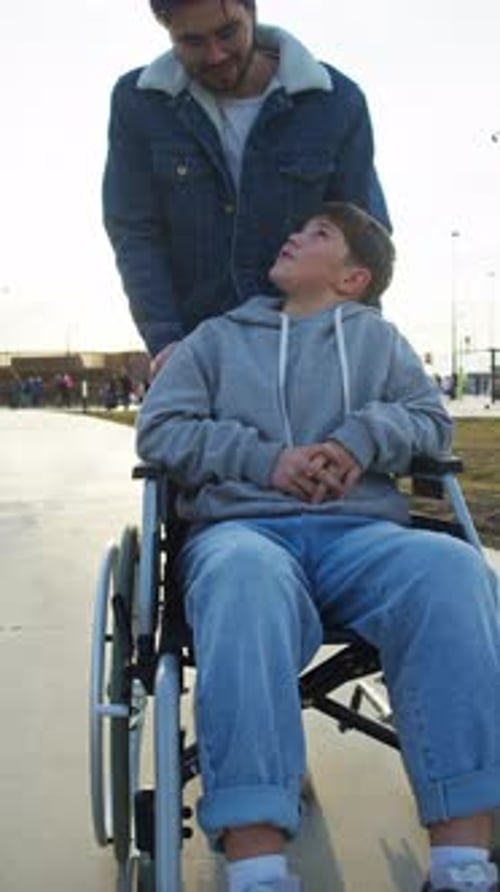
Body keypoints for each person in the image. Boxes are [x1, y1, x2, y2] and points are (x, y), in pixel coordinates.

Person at [136, 202, 500, 892]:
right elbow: (161, 432)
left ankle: (462, 863)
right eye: (297, 226)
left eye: (319, 234)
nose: (295, 234)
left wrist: (354, 442)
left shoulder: (379, 343)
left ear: (353, 277)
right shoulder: (215, 340)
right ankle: (258, 868)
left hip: (361, 534)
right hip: (244, 531)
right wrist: (264, 460)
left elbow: (431, 424)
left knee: (453, 569)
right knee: (243, 580)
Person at [103, 0, 390, 373]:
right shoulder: (139, 103)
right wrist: (167, 341)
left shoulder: (334, 102)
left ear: (252, 11)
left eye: (228, 32)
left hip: (312, 355)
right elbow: (136, 233)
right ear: (166, 28)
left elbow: (364, 239)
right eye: (193, 41)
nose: (216, 54)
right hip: (198, 354)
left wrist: (360, 348)